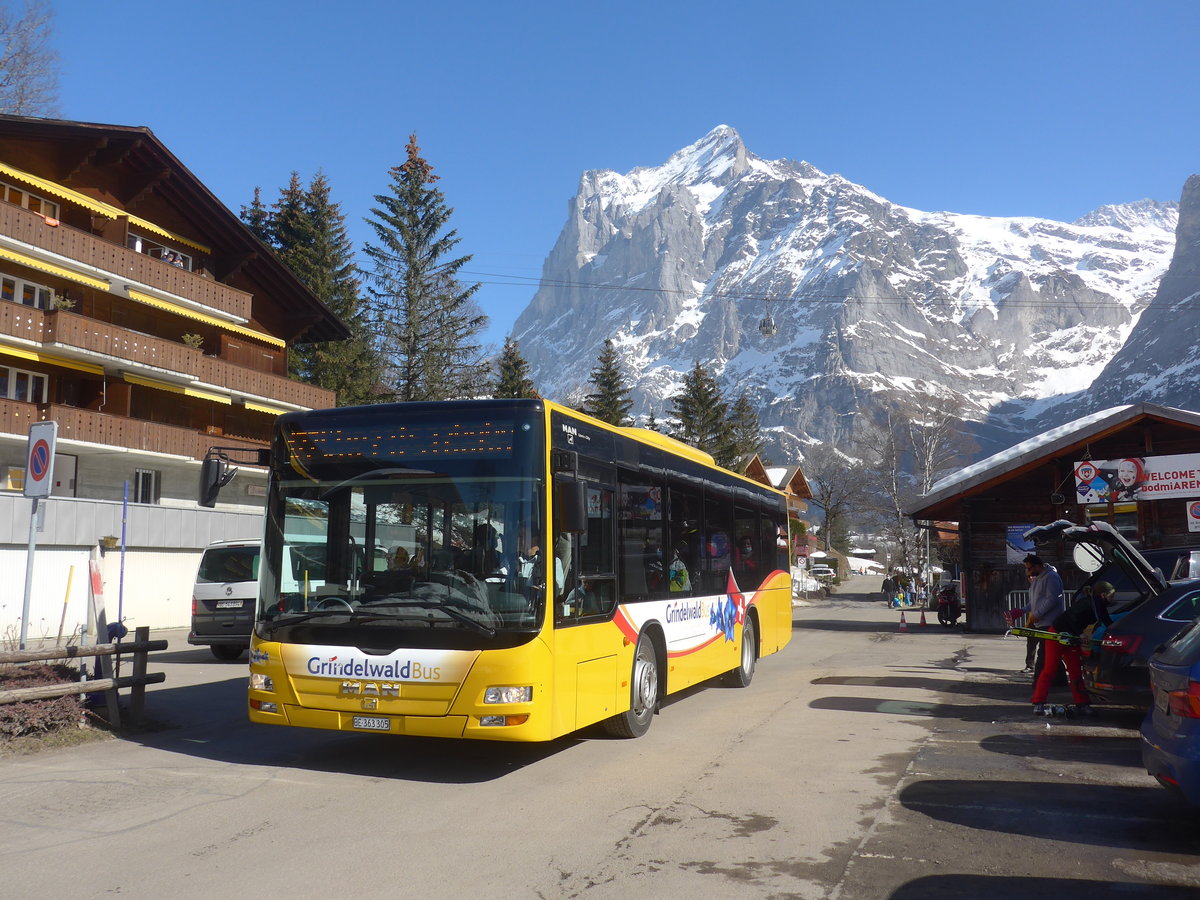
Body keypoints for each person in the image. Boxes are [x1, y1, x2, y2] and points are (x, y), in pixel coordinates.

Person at [1030, 581, 1115, 716]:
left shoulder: (1100, 607)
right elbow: (1070, 617)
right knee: (1049, 669)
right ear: (1103, 595)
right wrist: (1080, 633)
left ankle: (1082, 704)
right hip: (1057, 635)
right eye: (1111, 596)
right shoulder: (1086, 603)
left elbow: (1109, 623)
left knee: (1075, 671)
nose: (1113, 599)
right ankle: (1038, 703)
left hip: (1072, 639)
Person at [1011, 554, 1065, 679]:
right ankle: (1059, 680)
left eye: (1029, 568)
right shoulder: (1038, 579)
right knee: (1050, 653)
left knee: (1044, 652)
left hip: (1050, 622)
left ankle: (1039, 680)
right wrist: (1022, 610)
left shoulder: (1051, 577)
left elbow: (1052, 599)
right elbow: (1035, 601)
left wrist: (1038, 614)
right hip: (1041, 622)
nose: (1027, 572)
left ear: (1037, 566)